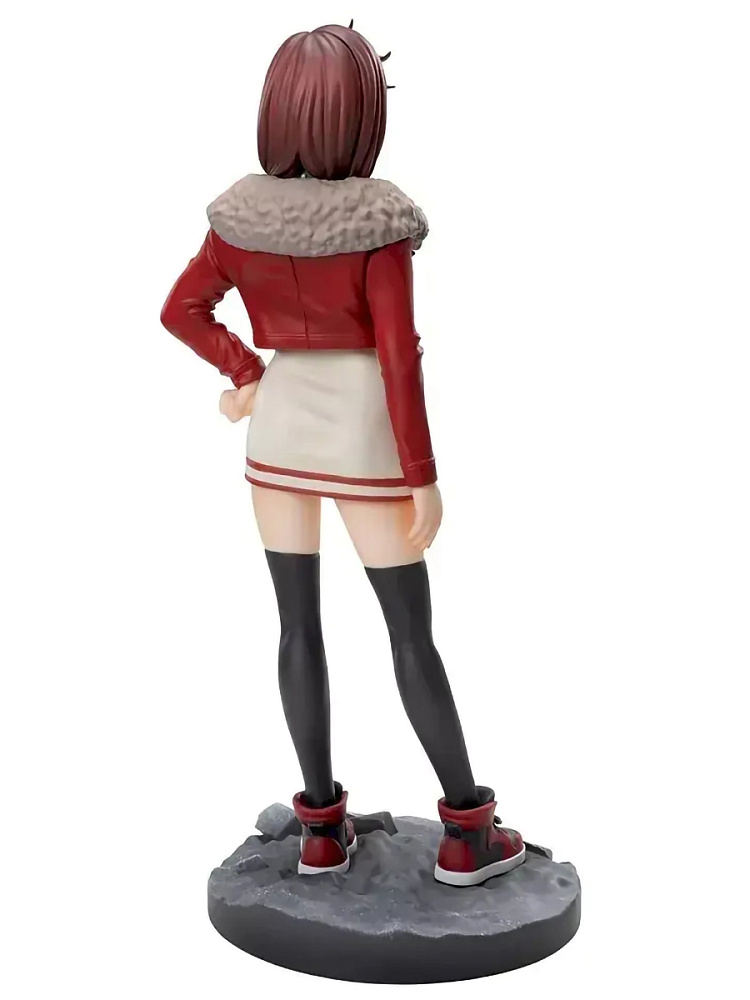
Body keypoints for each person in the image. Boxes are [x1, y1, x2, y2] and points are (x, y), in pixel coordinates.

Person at [160, 21, 524, 886]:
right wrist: (422, 476)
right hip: (365, 434)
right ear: (360, 115)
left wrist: (247, 371)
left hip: (280, 429)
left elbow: (180, 310)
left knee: (297, 626)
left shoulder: (239, 220)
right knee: (410, 635)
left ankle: (320, 830)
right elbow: (398, 356)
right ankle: (466, 832)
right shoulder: (376, 222)